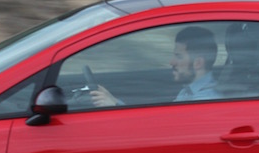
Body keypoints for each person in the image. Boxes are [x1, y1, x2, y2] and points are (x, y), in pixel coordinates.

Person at [90, 25, 219, 107]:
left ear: (198, 63)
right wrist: (115, 103)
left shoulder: (205, 100)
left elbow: (165, 129)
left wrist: (115, 105)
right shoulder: (189, 92)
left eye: (178, 57)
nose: (171, 62)